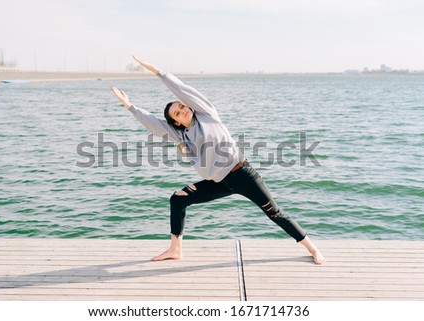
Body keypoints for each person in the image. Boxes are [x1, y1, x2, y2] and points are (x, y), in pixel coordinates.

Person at [111, 56, 326, 264]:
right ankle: (175, 250)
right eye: (177, 112)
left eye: (182, 106)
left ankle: (312, 248)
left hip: (242, 174)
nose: (183, 109)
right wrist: (130, 106)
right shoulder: (180, 135)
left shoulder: (206, 114)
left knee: (275, 213)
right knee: (177, 199)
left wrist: (157, 72)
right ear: (175, 122)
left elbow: (183, 90)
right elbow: (154, 124)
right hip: (218, 182)